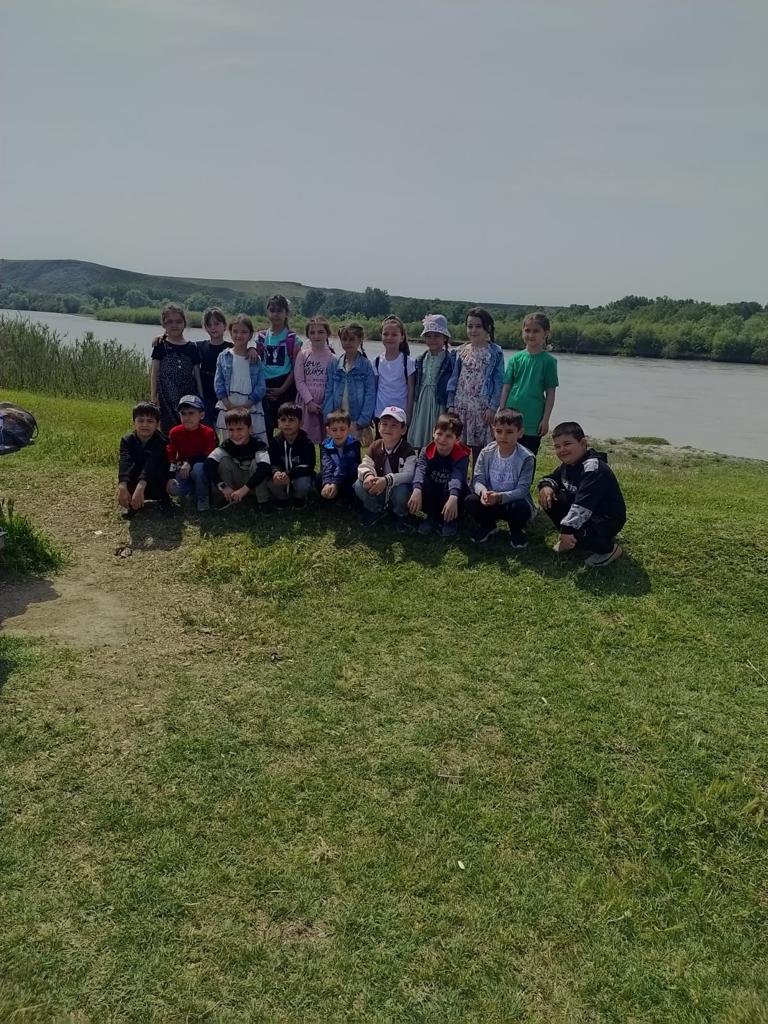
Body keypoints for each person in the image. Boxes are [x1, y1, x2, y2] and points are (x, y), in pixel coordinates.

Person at [537, 421, 627, 567]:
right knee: (549, 497)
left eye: (567, 444)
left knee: (577, 530)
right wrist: (546, 486)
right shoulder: (568, 465)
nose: (562, 450)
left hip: (606, 517)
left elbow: (583, 505)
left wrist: (567, 530)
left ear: (583, 443)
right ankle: (572, 539)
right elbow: (552, 478)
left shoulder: (593, 469)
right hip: (586, 511)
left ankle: (610, 549)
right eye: (558, 446)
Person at [465, 409, 535, 549]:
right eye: (499, 431)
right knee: (470, 501)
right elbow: (478, 479)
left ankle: (516, 530)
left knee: (521, 508)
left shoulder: (527, 457)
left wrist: (500, 497)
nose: (503, 436)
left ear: (520, 432)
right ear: (493, 431)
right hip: (489, 500)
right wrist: (483, 492)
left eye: (509, 432)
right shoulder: (486, 452)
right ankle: (488, 526)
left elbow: (523, 489)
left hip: (512, 501)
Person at [446, 306, 504, 465]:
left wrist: (493, 407)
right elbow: (454, 379)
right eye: (470, 326)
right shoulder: (460, 351)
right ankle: (460, 478)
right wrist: (450, 404)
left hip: (482, 409)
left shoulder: (495, 353)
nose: (473, 330)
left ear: (488, 328)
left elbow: (499, 381)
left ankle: (478, 478)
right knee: (459, 448)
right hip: (461, 406)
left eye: (478, 326)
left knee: (480, 451)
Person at [498, 311, 559, 456]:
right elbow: (506, 387)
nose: (531, 335)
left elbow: (550, 393)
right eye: (527, 330)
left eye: (536, 331)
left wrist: (545, 419)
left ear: (545, 334)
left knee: (528, 457)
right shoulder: (515, 359)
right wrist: (501, 410)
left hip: (533, 418)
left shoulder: (549, 362)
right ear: (522, 332)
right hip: (511, 415)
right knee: (506, 455)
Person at [408, 412, 470, 539]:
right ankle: (431, 517)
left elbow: (457, 476)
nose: (442, 439)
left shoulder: (462, 455)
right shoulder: (426, 451)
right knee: (421, 483)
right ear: (433, 432)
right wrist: (417, 489)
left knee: (459, 490)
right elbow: (420, 469)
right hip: (434, 491)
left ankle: (450, 520)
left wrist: (453, 496)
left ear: (457, 439)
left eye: (449, 436)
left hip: (451, 493)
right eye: (439, 434)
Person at [354, 406, 416, 529]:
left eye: (394, 425)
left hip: (396, 489)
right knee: (359, 484)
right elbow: (365, 464)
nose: (388, 428)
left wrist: (387, 480)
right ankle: (375, 509)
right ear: (379, 427)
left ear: (403, 429)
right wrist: (368, 475)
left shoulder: (408, 450)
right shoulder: (375, 446)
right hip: (378, 489)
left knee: (402, 491)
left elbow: (409, 475)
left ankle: (400, 513)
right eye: (385, 424)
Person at [204, 409, 273, 512]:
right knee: (223, 461)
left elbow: (265, 468)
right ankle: (228, 497)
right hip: (236, 484)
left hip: (253, 485)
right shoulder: (227, 445)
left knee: (257, 464)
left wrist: (245, 489)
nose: (235, 434)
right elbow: (208, 464)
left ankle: (263, 500)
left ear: (250, 429)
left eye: (240, 429)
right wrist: (223, 486)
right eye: (231, 430)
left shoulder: (258, 444)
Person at [150, 303, 203, 434]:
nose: (174, 325)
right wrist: (153, 396)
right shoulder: (160, 345)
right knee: (167, 430)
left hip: (187, 395)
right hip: (165, 396)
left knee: (187, 428)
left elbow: (197, 375)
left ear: (184, 323)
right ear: (163, 324)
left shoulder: (192, 347)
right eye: (170, 322)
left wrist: (201, 396)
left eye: (178, 321)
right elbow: (154, 372)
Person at [213, 314, 267, 442]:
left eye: (244, 332)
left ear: (250, 334)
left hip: (250, 406)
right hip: (229, 405)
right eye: (235, 331)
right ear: (230, 333)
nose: (239, 335)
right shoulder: (223, 356)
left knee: (253, 440)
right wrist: (228, 405)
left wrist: (247, 405)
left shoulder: (255, 359)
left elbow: (261, 386)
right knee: (230, 439)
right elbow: (218, 383)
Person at [117, 401, 172, 518]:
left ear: (157, 424)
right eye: (141, 421)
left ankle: (164, 500)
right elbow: (125, 461)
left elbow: (152, 463)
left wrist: (141, 486)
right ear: (134, 423)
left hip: (156, 479)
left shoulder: (162, 441)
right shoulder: (127, 440)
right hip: (137, 479)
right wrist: (122, 485)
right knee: (130, 468)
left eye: (150, 421)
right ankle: (132, 503)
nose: (145, 425)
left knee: (159, 468)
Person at [409, 313, 456, 450]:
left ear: (445, 337)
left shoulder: (450, 360)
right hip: (422, 399)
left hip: (438, 401)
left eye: (436, 336)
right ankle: (420, 456)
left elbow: (453, 383)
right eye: (428, 336)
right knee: (420, 430)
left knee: (437, 429)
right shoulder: (420, 359)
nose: (432, 340)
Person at [256, 294, 300, 437]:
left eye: (279, 311)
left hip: (285, 385)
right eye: (272, 310)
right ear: (267, 312)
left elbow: (296, 369)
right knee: (266, 427)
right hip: (265, 386)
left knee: (287, 426)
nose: (275, 314)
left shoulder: (293, 339)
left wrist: (282, 389)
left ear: (286, 313)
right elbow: (256, 362)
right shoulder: (261, 337)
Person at [323, 323, 375, 439]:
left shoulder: (366, 365)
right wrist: (328, 417)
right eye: (344, 339)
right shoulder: (334, 364)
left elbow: (370, 395)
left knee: (353, 449)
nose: (348, 342)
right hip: (336, 420)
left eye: (352, 339)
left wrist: (362, 421)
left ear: (360, 340)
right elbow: (329, 393)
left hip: (356, 421)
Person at [165, 394, 217, 512]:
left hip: (200, 466)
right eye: (183, 413)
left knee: (199, 468)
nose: (187, 417)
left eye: (191, 413)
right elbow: (171, 456)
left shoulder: (208, 432)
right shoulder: (175, 432)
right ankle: (192, 490)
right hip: (182, 468)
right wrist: (170, 476)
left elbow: (207, 455)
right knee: (173, 489)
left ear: (201, 415)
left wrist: (189, 462)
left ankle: (203, 498)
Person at [263, 401, 317, 510]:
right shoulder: (274, 443)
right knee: (270, 481)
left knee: (303, 483)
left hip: (299, 476)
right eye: (283, 420)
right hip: (282, 477)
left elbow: (308, 466)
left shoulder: (307, 443)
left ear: (300, 423)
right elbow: (273, 463)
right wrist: (276, 472)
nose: (287, 424)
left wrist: (289, 474)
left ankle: (299, 499)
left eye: (291, 420)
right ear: (278, 423)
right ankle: (282, 499)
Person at [294, 316, 335, 444]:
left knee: (326, 438)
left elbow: (333, 384)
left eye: (320, 332)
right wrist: (309, 402)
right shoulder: (302, 355)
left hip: (325, 403)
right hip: (305, 402)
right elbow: (299, 381)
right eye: (312, 332)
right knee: (304, 439)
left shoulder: (333, 358)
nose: (316, 336)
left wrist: (326, 404)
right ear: (308, 335)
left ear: (327, 334)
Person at [372, 315, 415, 430]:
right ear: (381, 336)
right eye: (385, 334)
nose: (389, 337)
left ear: (402, 338)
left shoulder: (408, 362)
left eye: (394, 334)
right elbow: (374, 389)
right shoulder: (376, 362)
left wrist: (409, 414)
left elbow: (411, 390)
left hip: (400, 415)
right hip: (381, 414)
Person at [196, 307, 231, 428]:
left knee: (226, 430)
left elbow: (245, 350)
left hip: (225, 398)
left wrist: (252, 348)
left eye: (217, 323)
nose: (213, 327)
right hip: (205, 397)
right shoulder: (199, 346)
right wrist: (162, 336)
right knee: (208, 431)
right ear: (205, 327)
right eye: (209, 325)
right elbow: (180, 343)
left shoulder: (231, 348)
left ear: (224, 326)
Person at [320, 410, 362, 502]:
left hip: (348, 476)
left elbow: (345, 463)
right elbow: (327, 464)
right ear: (328, 430)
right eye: (334, 430)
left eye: (342, 429)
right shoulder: (325, 445)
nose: (338, 433)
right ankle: (329, 492)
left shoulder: (354, 444)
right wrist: (327, 483)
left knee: (353, 476)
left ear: (349, 428)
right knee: (319, 478)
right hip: (333, 476)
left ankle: (346, 497)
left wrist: (335, 483)